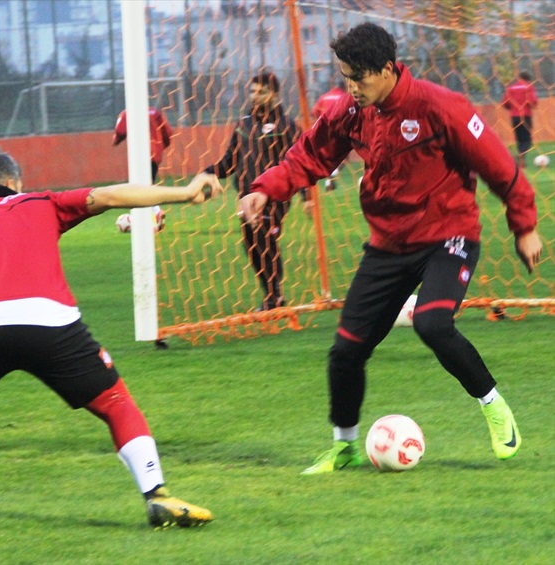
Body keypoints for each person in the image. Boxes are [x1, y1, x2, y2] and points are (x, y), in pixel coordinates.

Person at [0, 147, 223, 535]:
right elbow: (110, 196)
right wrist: (185, 193)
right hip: (49, 324)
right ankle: (157, 494)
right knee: (115, 401)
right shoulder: (41, 202)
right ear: (13, 183)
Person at [238, 23, 542, 473]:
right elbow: (310, 155)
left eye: (358, 78)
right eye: (344, 77)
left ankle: (493, 405)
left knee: (433, 323)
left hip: (448, 236)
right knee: (345, 351)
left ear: (386, 69)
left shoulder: (441, 107)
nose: (350, 87)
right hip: (388, 245)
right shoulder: (349, 111)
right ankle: (345, 446)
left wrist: (524, 226)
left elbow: (499, 166)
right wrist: (266, 188)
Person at [204, 70, 302, 311]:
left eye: (262, 92)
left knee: (265, 238)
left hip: (275, 196)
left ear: (275, 94)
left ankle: (274, 297)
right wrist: (206, 173)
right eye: (253, 91)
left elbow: (300, 163)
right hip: (246, 197)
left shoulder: (287, 126)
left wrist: (307, 197)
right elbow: (229, 161)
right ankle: (271, 295)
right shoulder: (244, 125)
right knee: (252, 245)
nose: (256, 96)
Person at [113, 107, 173, 229]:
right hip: (155, 155)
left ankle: (153, 215)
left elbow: (120, 131)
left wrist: (116, 140)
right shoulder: (155, 113)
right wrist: (160, 148)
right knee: (146, 186)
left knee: (139, 189)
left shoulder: (126, 113)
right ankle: (153, 213)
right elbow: (168, 133)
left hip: (139, 156)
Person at [312, 79, 348, 191]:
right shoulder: (345, 97)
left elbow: (314, 112)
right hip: (339, 129)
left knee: (329, 156)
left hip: (324, 130)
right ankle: (332, 175)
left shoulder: (324, 96)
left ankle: (328, 180)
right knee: (344, 156)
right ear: (344, 87)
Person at [501, 72, 538, 169]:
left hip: (514, 117)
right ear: (528, 79)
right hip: (525, 116)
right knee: (527, 140)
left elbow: (504, 103)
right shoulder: (528, 87)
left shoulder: (511, 88)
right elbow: (533, 101)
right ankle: (521, 155)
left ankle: (521, 162)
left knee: (519, 139)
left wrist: (513, 108)